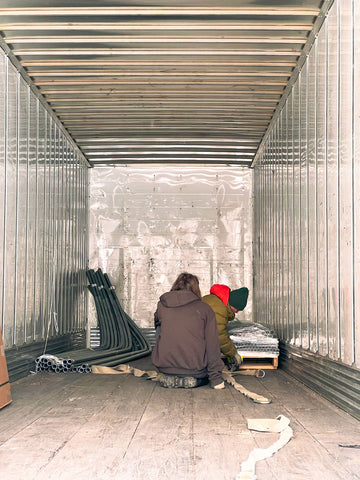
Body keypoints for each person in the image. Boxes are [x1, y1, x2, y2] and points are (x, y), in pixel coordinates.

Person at [151, 272, 225, 389]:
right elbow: (212, 345)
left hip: (164, 367)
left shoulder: (162, 306)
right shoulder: (205, 309)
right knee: (209, 339)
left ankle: (170, 376)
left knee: (161, 326)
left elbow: (157, 328)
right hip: (195, 369)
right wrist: (216, 379)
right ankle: (194, 381)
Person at [202, 284, 249, 371]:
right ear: (233, 304)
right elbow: (219, 335)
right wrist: (233, 353)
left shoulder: (215, 300)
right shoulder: (219, 309)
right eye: (237, 309)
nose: (237, 312)